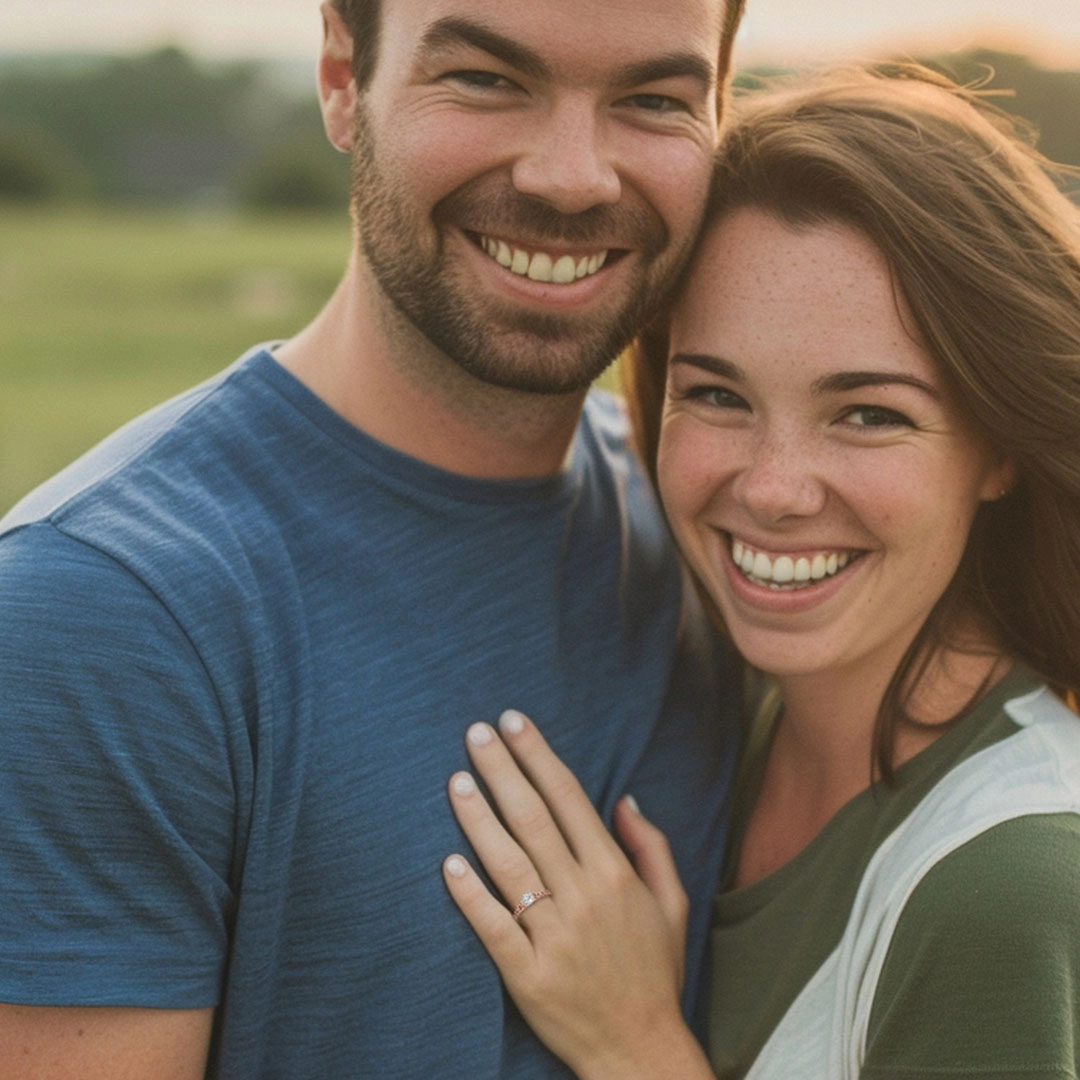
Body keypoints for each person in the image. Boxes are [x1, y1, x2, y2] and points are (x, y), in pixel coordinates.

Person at [0, 0, 748, 1076]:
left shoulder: (712, 536)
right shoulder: (103, 617)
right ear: (343, 77)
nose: (573, 176)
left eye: (653, 100)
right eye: (488, 80)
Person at [441, 65, 1080, 1079]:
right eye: (718, 395)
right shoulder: (725, 706)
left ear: (999, 446)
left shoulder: (1005, 884)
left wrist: (636, 1046)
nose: (775, 490)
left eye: (869, 414)